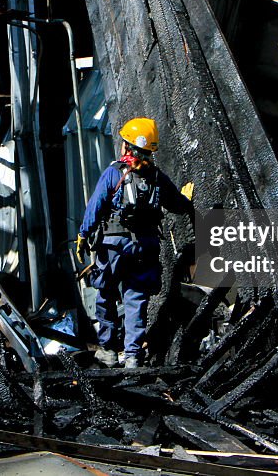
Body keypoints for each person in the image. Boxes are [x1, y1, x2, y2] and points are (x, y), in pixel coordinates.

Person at [76, 117, 194, 368]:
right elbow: (178, 205)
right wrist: (186, 199)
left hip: (114, 246)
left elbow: (95, 207)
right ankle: (132, 357)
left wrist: (83, 236)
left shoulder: (114, 173)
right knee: (135, 299)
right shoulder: (157, 177)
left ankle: (108, 351)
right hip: (144, 247)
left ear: (126, 146)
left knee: (106, 294)